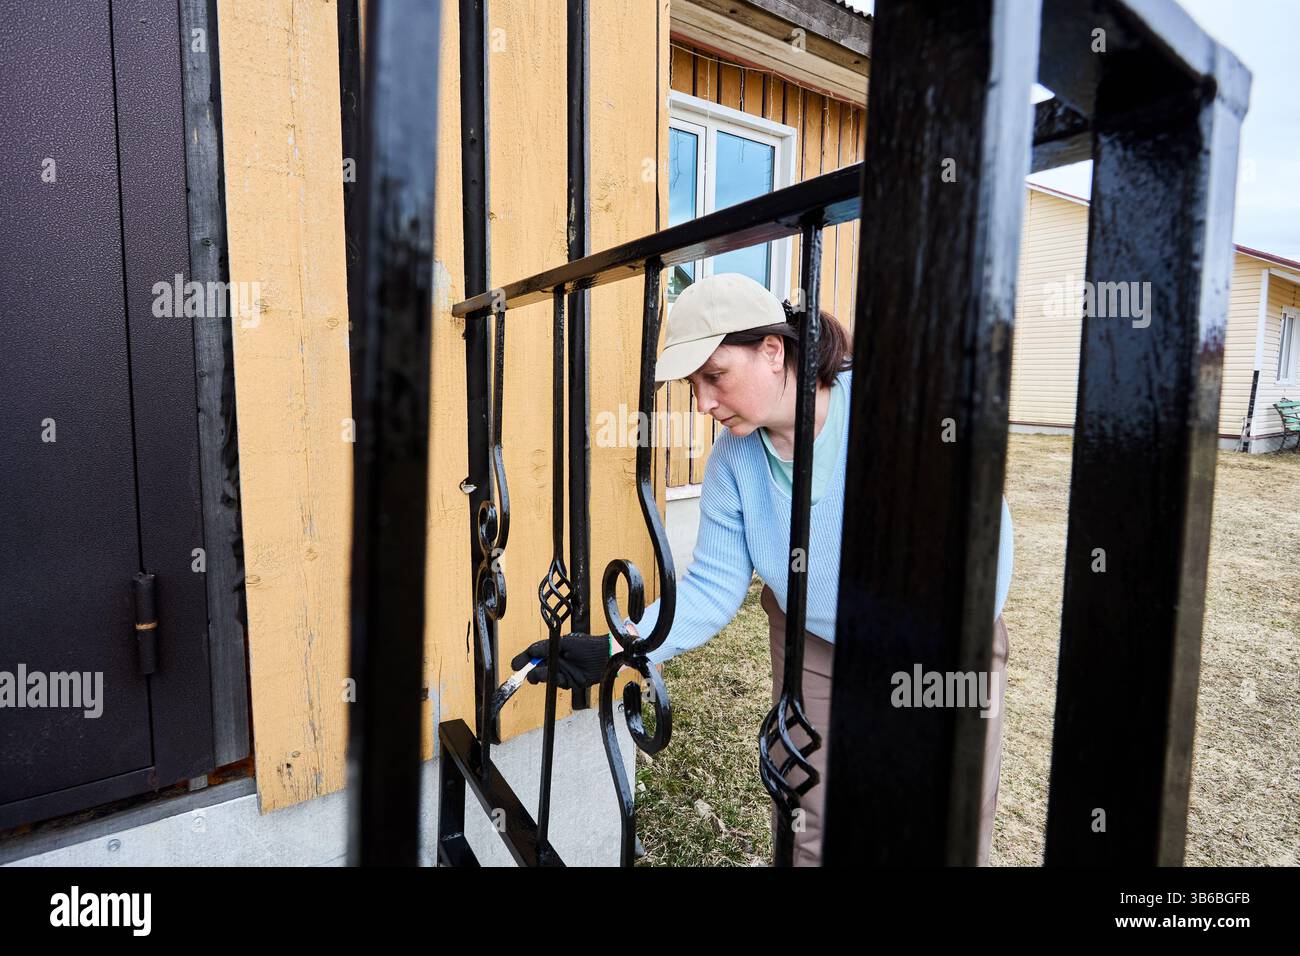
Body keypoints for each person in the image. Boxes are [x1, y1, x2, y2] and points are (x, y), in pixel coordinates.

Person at [513, 272, 1013, 866]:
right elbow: (711, 588)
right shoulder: (734, 458)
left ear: (773, 352)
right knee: (809, 817)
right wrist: (619, 648)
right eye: (695, 384)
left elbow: (983, 550)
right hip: (815, 644)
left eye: (715, 376)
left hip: (937, 641)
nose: (703, 403)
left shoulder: (896, 412)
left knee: (945, 817)